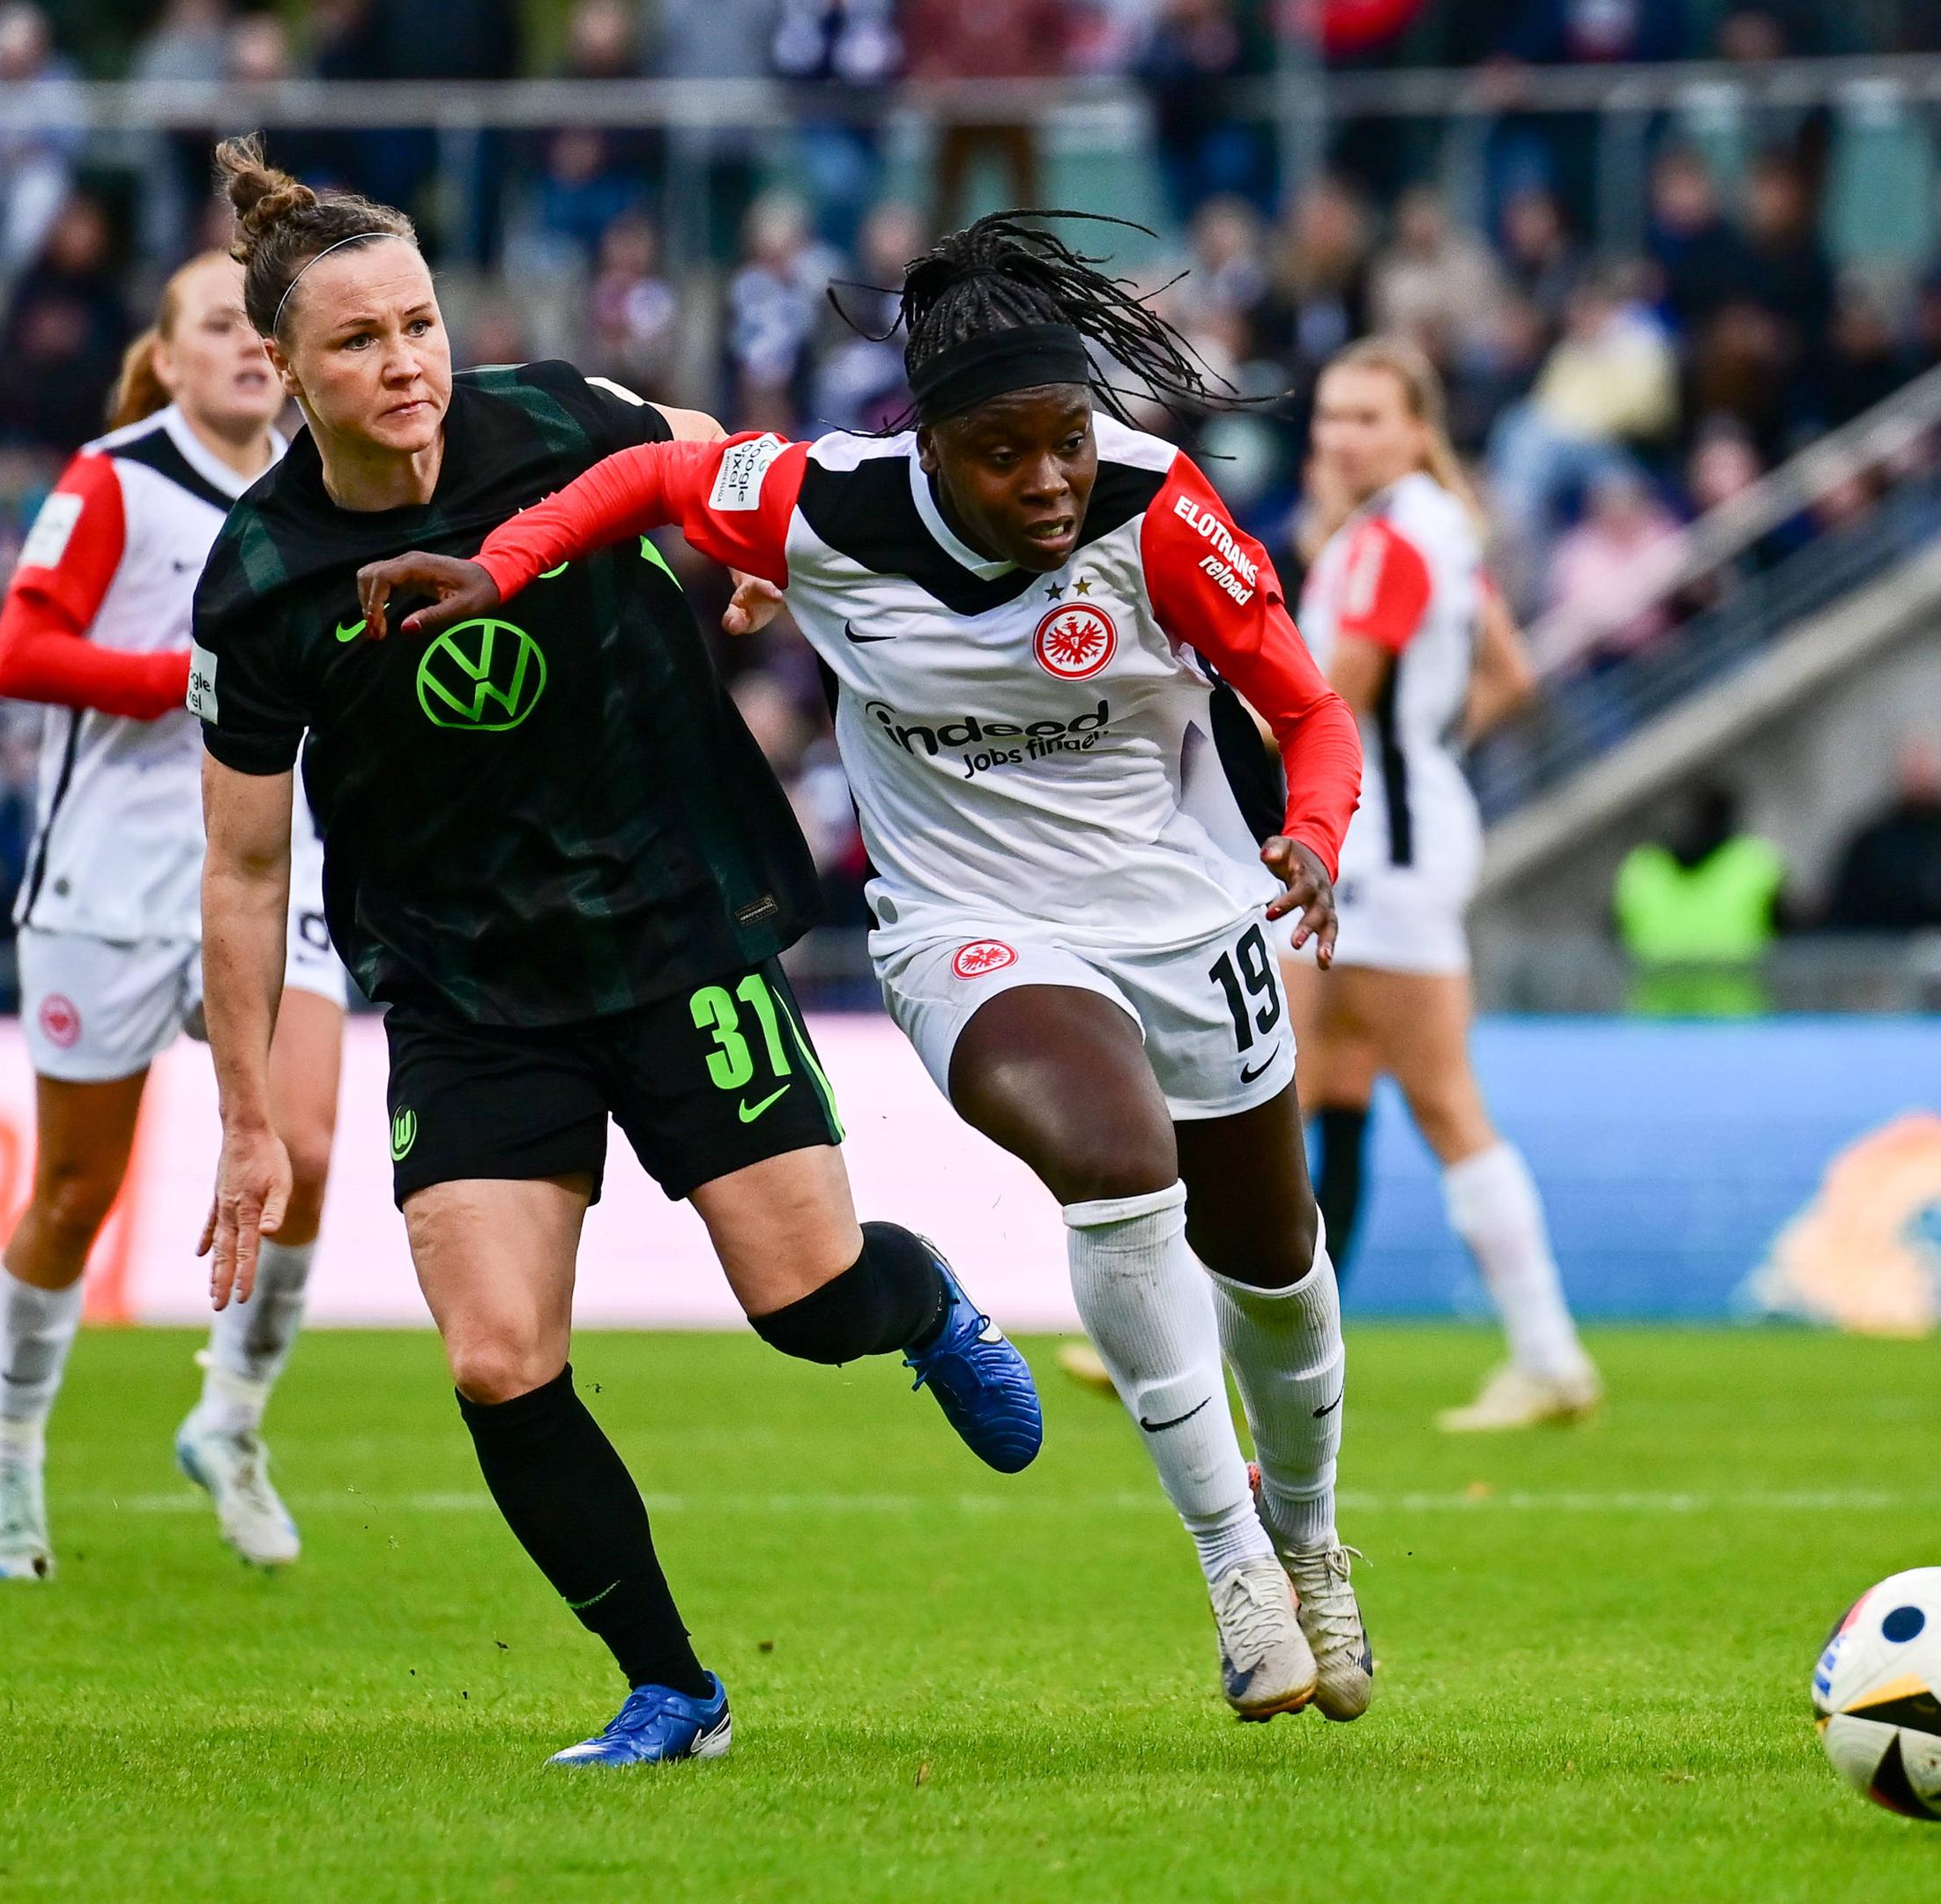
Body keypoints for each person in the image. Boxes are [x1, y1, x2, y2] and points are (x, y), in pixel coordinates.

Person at [356, 212, 1380, 1726]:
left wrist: (1313, 831)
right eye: (1005, 452)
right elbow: (647, 475)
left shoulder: (1162, 514)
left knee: (1276, 1264)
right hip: (973, 925)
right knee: (1113, 1162)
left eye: (1068, 444)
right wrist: (505, 572)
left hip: (1186, 911)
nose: (1047, 480)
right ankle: (1232, 1567)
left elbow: (1310, 712)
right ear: (928, 447)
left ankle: (1310, 1541)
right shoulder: (821, 501)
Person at [185, 139, 1042, 1770]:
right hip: (465, 989)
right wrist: (243, 1114)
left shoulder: (560, 418)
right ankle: (672, 1688)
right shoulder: (259, 583)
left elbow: (715, 450)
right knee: (499, 1355)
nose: (406, 364)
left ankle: (923, 1310)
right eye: (358, 343)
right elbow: (239, 867)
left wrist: (742, 559)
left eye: (421, 325)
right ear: (285, 369)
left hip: (671, 930)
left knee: (809, 1304)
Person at [0, 250, 347, 1585]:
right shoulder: (113, 477)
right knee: (77, 1192)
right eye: (219, 327)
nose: (249, 347)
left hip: (268, 876)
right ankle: (11, 1460)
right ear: (171, 356)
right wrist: (191, 676)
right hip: (111, 886)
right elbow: (20, 653)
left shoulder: (324, 486)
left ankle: (230, 1423)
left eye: (265, 330)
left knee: (299, 1144)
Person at [1275, 335, 1602, 1432]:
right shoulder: (1428, 532)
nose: (1345, 436)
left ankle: (1550, 1355)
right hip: (1391, 846)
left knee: (1388, 1096)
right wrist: (1427, 762)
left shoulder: (1385, 543)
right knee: (1299, 1084)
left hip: (1373, 859)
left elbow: (1328, 698)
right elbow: (1503, 675)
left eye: (1370, 417)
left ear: (1418, 429)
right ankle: (1237, 1330)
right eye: (1331, 416)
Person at [1613, 782, 1785, 1018]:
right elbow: (1791, 934)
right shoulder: (1755, 863)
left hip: (1656, 1024)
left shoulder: (1641, 867)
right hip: (1737, 1023)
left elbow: (1613, 936)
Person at [1826, 734, 1941, 933]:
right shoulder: (1872, 843)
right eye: (1915, 764)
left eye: (1928, 764)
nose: (1922, 773)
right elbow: (1846, 912)